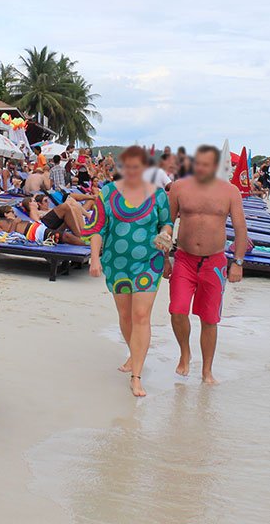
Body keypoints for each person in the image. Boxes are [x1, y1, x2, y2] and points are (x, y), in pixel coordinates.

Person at [88, 145, 173, 398]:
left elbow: (166, 222)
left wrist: (166, 234)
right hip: (116, 263)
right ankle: (134, 353)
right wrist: (95, 258)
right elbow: (98, 228)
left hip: (149, 261)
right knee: (125, 316)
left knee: (141, 315)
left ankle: (136, 375)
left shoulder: (158, 194)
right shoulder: (107, 193)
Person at [166, 144, 247, 385]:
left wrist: (238, 263)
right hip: (184, 259)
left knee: (209, 319)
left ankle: (207, 371)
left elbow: (241, 229)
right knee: (177, 310)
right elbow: (166, 225)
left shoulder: (230, 192)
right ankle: (185, 353)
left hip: (214, 262)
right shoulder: (179, 188)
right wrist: (163, 259)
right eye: (198, 163)